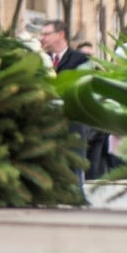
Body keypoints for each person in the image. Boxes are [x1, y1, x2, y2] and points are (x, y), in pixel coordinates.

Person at [40, 20, 106, 180]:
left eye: (46, 34)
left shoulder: (81, 60)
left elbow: (82, 90)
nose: (42, 38)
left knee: (75, 167)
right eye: (41, 34)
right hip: (46, 123)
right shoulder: (40, 60)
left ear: (60, 35)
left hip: (74, 123)